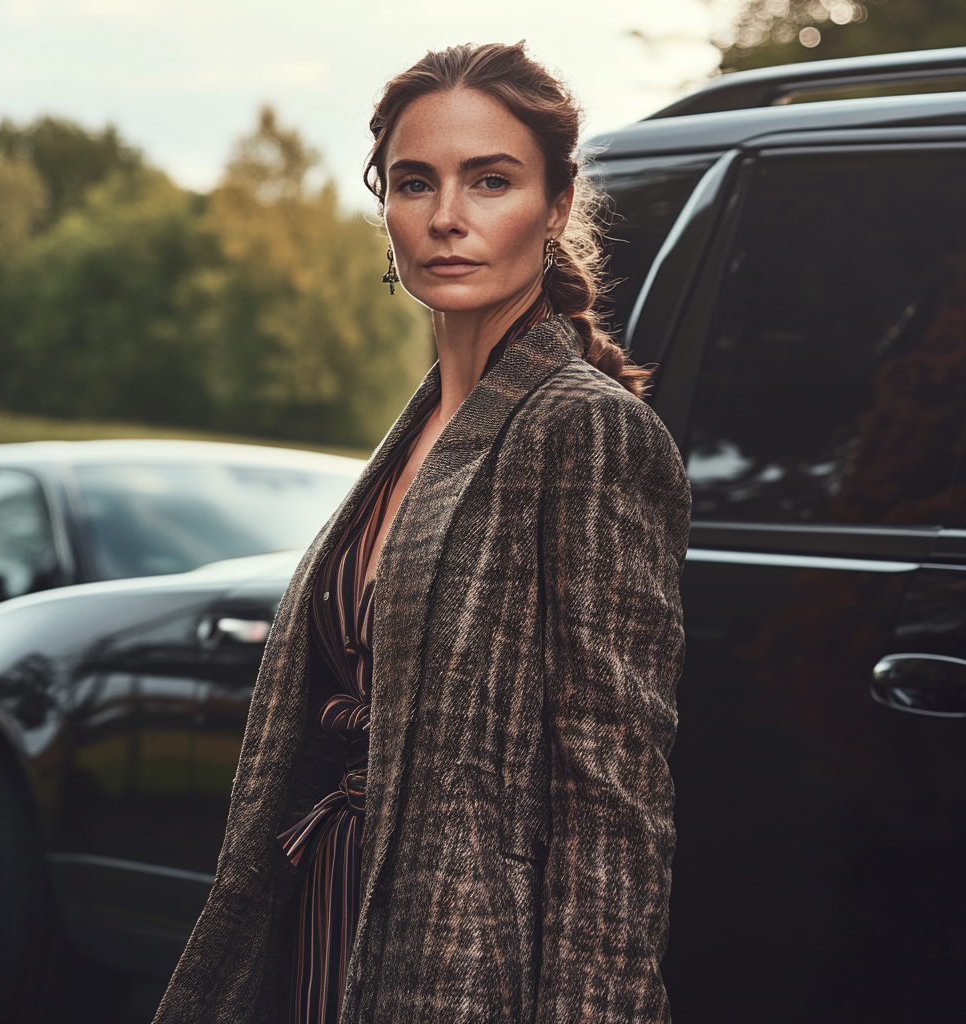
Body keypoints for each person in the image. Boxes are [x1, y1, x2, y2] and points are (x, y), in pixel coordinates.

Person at [153, 41, 690, 1024]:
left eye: (490, 181)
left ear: (557, 205)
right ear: (385, 208)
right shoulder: (420, 431)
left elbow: (610, 798)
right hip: (320, 905)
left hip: (462, 955)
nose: (447, 217)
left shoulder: (587, 427)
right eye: (415, 182)